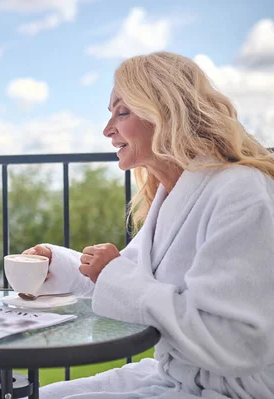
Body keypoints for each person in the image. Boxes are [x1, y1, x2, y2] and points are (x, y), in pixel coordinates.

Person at [25, 52, 274, 398]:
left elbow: (236, 342)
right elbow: (125, 275)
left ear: (166, 114)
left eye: (122, 112)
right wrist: (57, 265)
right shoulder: (174, 194)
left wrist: (114, 274)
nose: (108, 129)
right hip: (176, 376)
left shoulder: (239, 192)